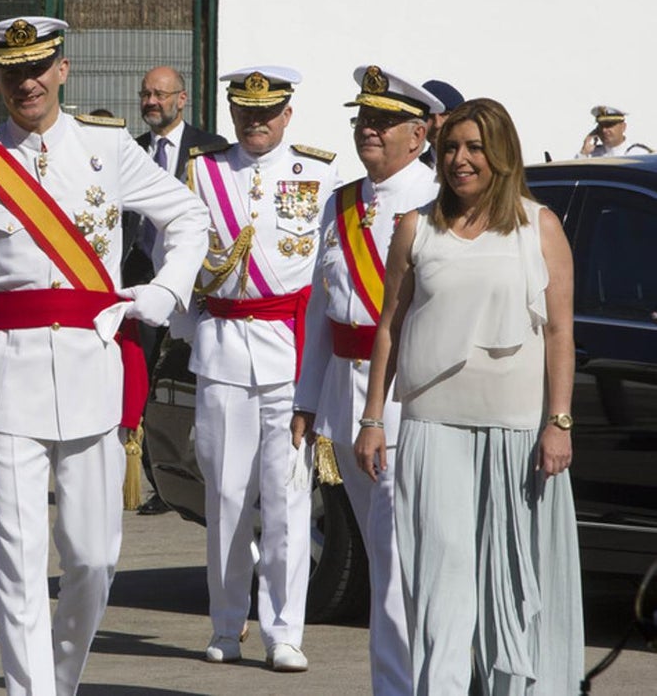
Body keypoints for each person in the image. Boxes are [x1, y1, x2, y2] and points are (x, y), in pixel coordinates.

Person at [0, 16, 208, 695]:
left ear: (62, 71)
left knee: (93, 557)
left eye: (39, 68)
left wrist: (161, 293)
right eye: (13, 72)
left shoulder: (108, 148)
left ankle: (61, 677)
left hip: (92, 369)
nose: (28, 82)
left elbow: (188, 217)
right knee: (19, 560)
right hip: (6, 375)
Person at [355, 97, 584, 694]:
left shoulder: (541, 226)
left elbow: (561, 331)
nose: (460, 160)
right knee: (440, 592)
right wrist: (373, 417)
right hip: (433, 429)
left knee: (509, 590)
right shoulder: (416, 227)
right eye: (451, 147)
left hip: (516, 430)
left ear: (502, 154)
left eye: (475, 147)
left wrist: (558, 421)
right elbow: (390, 327)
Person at [173, 65, 339, 672]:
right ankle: (224, 622)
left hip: (290, 354)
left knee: (289, 499)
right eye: (244, 110)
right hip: (221, 349)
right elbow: (180, 258)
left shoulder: (319, 174)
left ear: (288, 114)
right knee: (225, 497)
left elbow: (327, 276)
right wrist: (187, 328)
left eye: (267, 112)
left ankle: (284, 630)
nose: (255, 121)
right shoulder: (203, 171)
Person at [293, 65, 445, 694]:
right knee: (385, 559)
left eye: (383, 121)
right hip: (343, 401)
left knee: (404, 558)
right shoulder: (342, 200)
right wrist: (306, 399)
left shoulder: (436, 199)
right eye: (363, 119)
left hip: (409, 401)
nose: (369, 131)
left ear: (419, 133)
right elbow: (322, 310)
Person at [130, 65, 227, 516]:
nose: (152, 102)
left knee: (190, 386)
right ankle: (157, 479)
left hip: (193, 293)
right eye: (146, 94)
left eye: (161, 94)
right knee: (146, 384)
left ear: (182, 99)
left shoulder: (211, 151)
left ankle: (197, 471)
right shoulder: (130, 152)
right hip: (144, 288)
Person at [419, 79, 464, 169]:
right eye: (430, 116)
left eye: (445, 115)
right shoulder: (413, 169)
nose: (437, 124)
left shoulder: (480, 165)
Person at [577, 104, 652, 157]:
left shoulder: (638, 154)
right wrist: (583, 153)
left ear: (623, 127)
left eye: (609, 125)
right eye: (601, 126)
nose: (604, 130)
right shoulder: (592, 155)